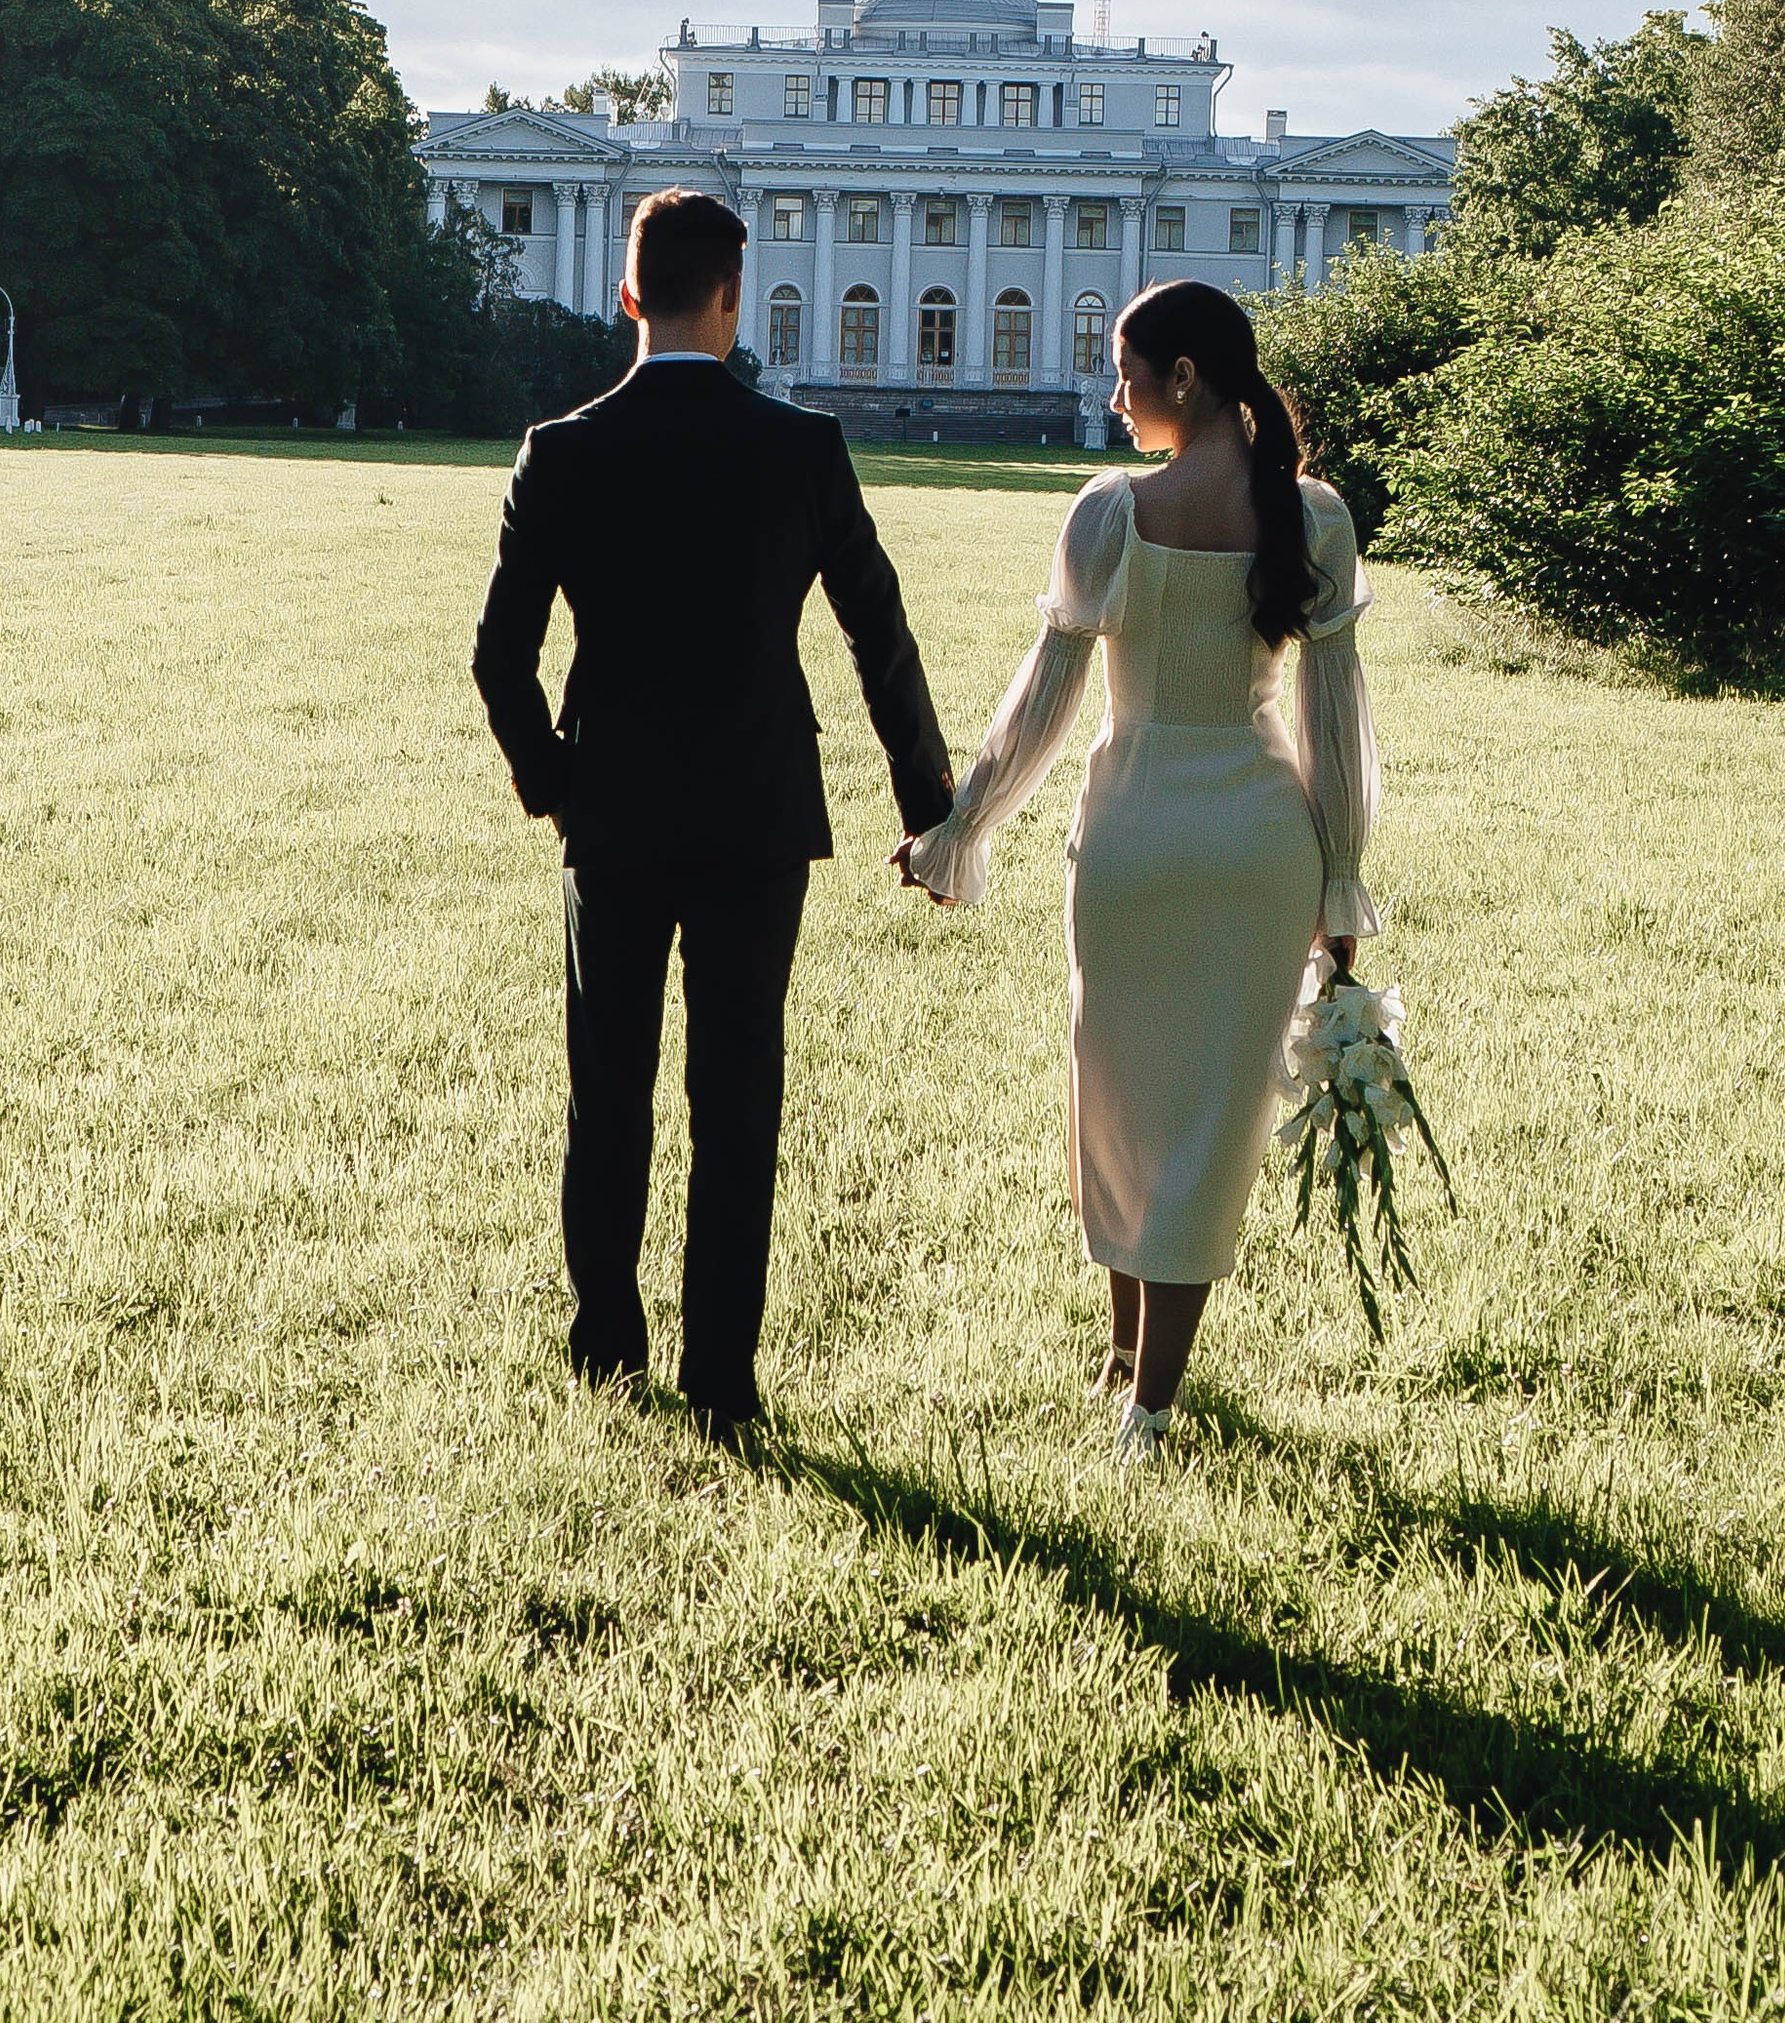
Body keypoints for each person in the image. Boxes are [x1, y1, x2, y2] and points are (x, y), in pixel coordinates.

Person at [472, 186, 952, 1447]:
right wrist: (930, 805)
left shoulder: (559, 450)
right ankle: (724, 1378)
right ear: (732, 302)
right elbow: (876, 633)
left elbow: (498, 659)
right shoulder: (801, 447)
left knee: (606, 1088)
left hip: (615, 809)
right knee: (737, 1097)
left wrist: (553, 782)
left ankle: (606, 1345)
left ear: (627, 294)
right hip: (756, 811)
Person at [901, 280, 1379, 1464]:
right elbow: (1335, 722)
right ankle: (1141, 1386)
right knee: (1207, 1117)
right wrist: (1339, 879)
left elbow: (1046, 703)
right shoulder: (1311, 516)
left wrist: (963, 825)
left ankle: (1141, 1396)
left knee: (1117, 1101)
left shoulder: (1108, 514)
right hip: (1257, 842)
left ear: (1182, 379)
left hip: (1129, 834)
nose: (1112, 398)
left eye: (1124, 373)